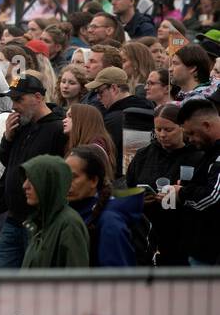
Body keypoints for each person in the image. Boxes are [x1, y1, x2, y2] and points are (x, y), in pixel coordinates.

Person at [0, 74, 67, 268]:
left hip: (38, 221)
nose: (14, 105)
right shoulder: (22, 124)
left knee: (32, 281)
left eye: (19, 99)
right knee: (0, 282)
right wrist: (7, 138)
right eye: (12, 100)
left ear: (38, 97)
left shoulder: (57, 128)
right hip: (13, 217)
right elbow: (6, 160)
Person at [125, 103, 204, 265]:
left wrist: (182, 195)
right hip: (146, 235)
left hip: (182, 236)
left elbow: (205, 194)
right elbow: (127, 187)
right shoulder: (144, 155)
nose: (162, 134)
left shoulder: (198, 156)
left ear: (182, 127)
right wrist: (137, 198)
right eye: (158, 129)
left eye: (168, 130)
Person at [66, 144, 142, 267]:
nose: (67, 182)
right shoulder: (71, 213)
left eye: (74, 177)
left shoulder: (110, 222)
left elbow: (116, 278)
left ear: (93, 181)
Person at [19, 154, 90, 269]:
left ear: (49, 183)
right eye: (25, 179)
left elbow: (76, 281)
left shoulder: (69, 225)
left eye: (32, 180)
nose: (25, 185)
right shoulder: (40, 222)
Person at [177, 98, 220, 266]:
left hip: (212, 253)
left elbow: (213, 195)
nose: (189, 139)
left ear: (207, 125)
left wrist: (181, 193)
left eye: (191, 133)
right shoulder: (210, 151)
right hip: (202, 248)